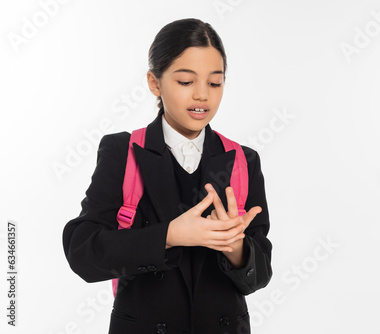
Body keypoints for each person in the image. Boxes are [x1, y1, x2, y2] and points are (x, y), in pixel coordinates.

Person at [62, 18, 272, 334]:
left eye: (215, 83)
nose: (203, 95)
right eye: (186, 81)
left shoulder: (244, 159)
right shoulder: (123, 150)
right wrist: (170, 235)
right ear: (154, 82)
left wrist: (236, 248)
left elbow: (260, 276)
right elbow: (84, 253)